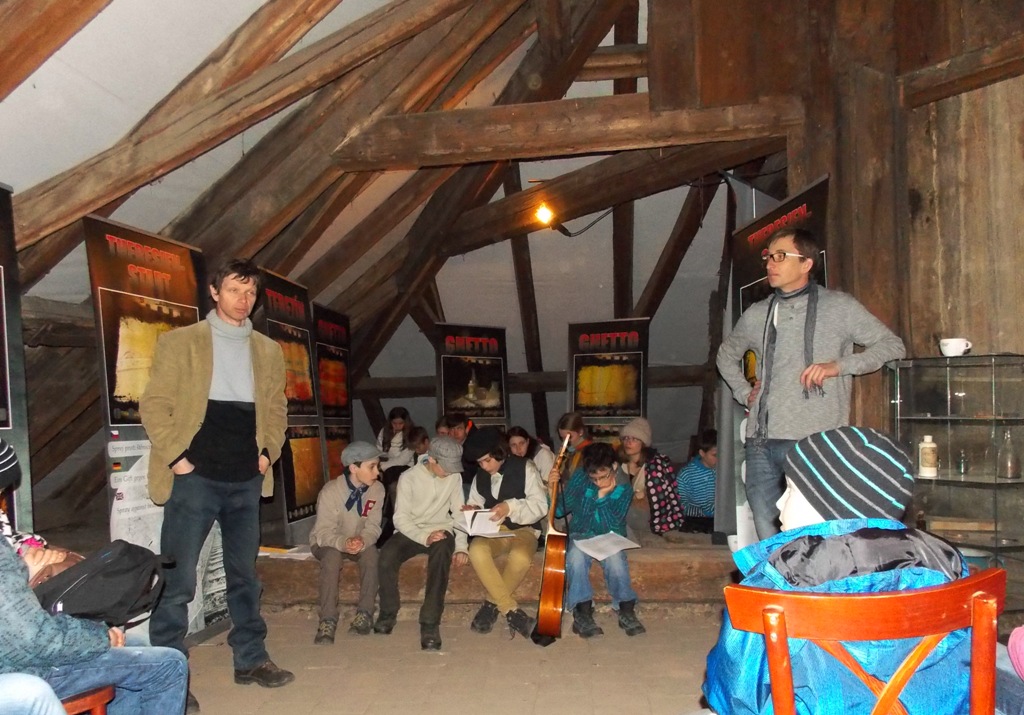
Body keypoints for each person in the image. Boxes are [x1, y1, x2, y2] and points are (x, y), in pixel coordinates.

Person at [702, 426, 990, 715]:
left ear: (828, 505)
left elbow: (733, 689)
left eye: (790, 490)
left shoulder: (774, 581)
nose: (778, 503)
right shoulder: (947, 566)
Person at [140, 258, 292, 711]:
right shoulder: (180, 342)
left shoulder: (268, 350)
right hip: (195, 478)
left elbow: (276, 409)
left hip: (246, 479)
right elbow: (154, 405)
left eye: (250, 293)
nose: (243, 300)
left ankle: (251, 659)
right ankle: (167, 680)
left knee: (245, 577)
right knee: (178, 581)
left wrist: (267, 453)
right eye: (233, 290)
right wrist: (178, 460)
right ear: (213, 292)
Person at [715, 227, 906, 539]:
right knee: (768, 535)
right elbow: (726, 355)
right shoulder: (757, 313)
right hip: (761, 442)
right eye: (768, 257)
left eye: (780, 256)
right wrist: (743, 392)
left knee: (813, 534)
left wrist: (838, 366)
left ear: (806, 263)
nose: (770, 264)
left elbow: (893, 346)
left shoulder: (840, 307)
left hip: (816, 441)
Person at [0, 447, 188, 715]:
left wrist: (25, 570)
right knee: (169, 664)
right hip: (18, 667)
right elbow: (34, 640)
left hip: (20, 652)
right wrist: (99, 635)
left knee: (134, 646)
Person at [374, 436, 469, 651]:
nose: (451, 472)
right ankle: (388, 611)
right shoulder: (408, 478)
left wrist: (462, 546)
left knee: (442, 553)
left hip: (441, 528)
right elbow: (400, 518)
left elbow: (459, 514)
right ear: (432, 459)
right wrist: (424, 536)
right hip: (412, 530)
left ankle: (430, 622)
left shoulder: (454, 477)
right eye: (447, 467)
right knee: (387, 555)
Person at [552, 442, 645, 638]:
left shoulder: (623, 486)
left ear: (614, 466)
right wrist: (552, 487)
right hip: (581, 533)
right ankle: (582, 611)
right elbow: (560, 509)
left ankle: (625, 608)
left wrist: (601, 497)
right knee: (575, 558)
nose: (598, 482)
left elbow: (610, 523)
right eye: (593, 478)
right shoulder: (581, 477)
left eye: (603, 476)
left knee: (616, 561)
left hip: (610, 535)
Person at [461, 427, 547, 639]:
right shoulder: (481, 475)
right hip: (493, 530)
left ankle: (491, 605)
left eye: (487, 460)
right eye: (480, 462)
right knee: (476, 549)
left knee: (520, 557)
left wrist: (510, 507)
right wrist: (472, 509)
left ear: (499, 452)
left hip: (525, 529)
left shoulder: (525, 467)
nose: (484, 466)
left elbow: (540, 506)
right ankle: (511, 610)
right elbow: (475, 501)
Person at [309, 441, 385, 645]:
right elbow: (323, 532)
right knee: (332, 558)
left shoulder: (377, 490)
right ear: (353, 468)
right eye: (372, 467)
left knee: (371, 555)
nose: (377, 472)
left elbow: (374, 526)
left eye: (377, 466)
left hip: (359, 541)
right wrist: (344, 542)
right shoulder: (331, 491)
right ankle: (327, 619)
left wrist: (363, 540)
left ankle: (365, 613)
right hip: (328, 541)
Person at [617, 417, 684, 536]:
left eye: (634, 439)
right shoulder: (618, 463)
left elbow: (660, 497)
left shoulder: (655, 466)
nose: (628, 442)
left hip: (646, 514)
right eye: (626, 438)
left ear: (643, 443)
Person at [675, 429, 718, 533]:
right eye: (715, 455)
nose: (719, 458)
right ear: (702, 453)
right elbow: (681, 503)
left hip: (720, 518)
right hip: (696, 519)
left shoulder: (723, 470)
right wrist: (704, 513)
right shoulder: (686, 475)